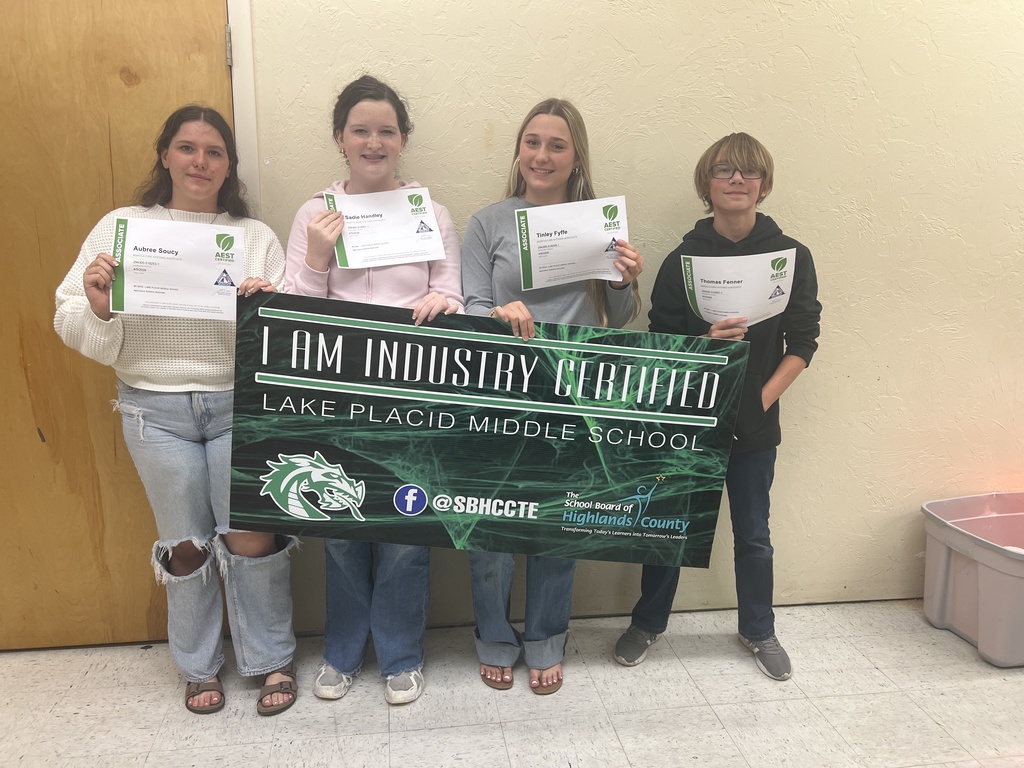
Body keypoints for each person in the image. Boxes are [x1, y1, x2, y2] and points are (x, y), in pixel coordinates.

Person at [54, 105, 298, 715]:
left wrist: (262, 310)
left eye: (214, 152)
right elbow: (68, 319)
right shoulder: (121, 228)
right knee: (185, 545)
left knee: (250, 539)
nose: (200, 162)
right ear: (165, 154)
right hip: (153, 411)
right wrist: (100, 307)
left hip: (238, 404)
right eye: (187, 148)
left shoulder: (254, 238)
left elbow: (288, 339)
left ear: (229, 166)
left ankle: (270, 659)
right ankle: (197, 666)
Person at [613, 132, 822, 681]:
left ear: (765, 185)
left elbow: (803, 341)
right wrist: (704, 345)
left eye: (748, 172)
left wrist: (756, 402)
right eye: (725, 170)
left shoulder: (791, 257)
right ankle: (647, 622)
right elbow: (661, 342)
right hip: (688, 420)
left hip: (754, 422)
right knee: (667, 527)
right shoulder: (682, 260)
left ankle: (758, 628)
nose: (736, 180)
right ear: (707, 184)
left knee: (753, 532)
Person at [283, 75, 463, 706]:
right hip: (336, 398)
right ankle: (340, 651)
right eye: (360, 129)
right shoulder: (314, 213)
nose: (373, 141)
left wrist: (444, 302)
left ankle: (400, 654)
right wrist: (315, 256)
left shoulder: (431, 214)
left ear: (403, 139)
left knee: (406, 532)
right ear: (340, 138)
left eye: (386, 130)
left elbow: (455, 299)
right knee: (340, 530)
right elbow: (294, 317)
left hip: (413, 396)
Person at [462, 98, 644, 693]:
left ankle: (545, 639)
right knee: (489, 526)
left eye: (557, 145)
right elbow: (468, 307)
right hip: (499, 392)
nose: (542, 155)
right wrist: (496, 312)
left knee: (556, 524)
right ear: (519, 150)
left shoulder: (600, 224)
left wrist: (627, 279)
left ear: (575, 157)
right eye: (532, 142)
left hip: (572, 394)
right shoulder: (488, 222)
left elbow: (616, 319)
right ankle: (493, 637)